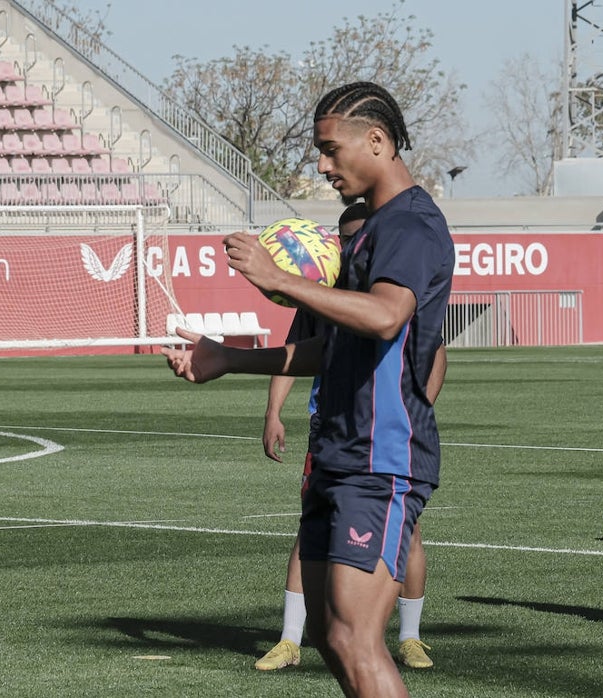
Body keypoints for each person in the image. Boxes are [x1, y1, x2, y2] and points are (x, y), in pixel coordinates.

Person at [163, 81, 454, 696]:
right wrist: (227, 361)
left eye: (329, 149)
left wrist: (278, 279)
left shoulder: (412, 225)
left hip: (382, 456)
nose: (322, 166)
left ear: (376, 141)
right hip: (340, 452)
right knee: (328, 632)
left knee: (355, 636)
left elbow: (384, 316)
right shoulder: (374, 228)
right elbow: (338, 347)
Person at [255, 203, 445, 673]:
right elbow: (298, 348)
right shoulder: (320, 290)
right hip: (330, 428)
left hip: (385, 438)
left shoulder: (392, 284)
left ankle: (410, 636)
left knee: (406, 539)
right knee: (311, 534)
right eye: (350, 239)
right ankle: (289, 639)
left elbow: (434, 350)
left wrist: (418, 405)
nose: (357, 247)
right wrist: (272, 411)